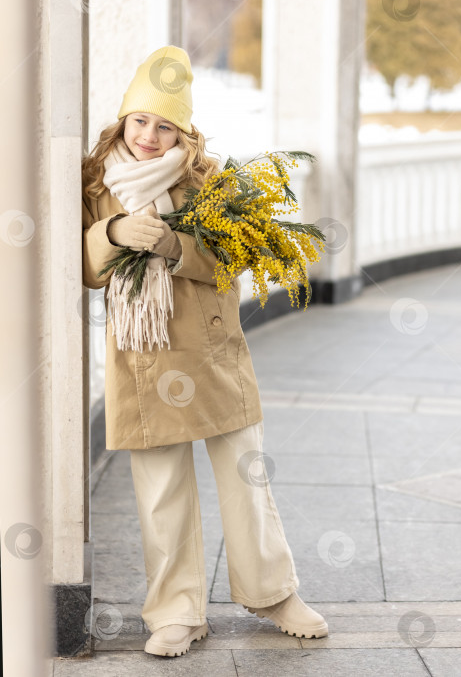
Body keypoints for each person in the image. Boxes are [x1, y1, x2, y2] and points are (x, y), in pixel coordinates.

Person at [82, 45, 328, 658]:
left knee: (246, 474)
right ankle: (175, 611)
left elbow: (233, 264)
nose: (149, 136)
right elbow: (80, 267)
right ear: (123, 119)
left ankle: (273, 591)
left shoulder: (207, 181)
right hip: (144, 354)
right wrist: (110, 232)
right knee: (160, 485)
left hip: (210, 349)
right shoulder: (95, 181)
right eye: (141, 120)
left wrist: (174, 246)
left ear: (183, 132)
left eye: (165, 125)